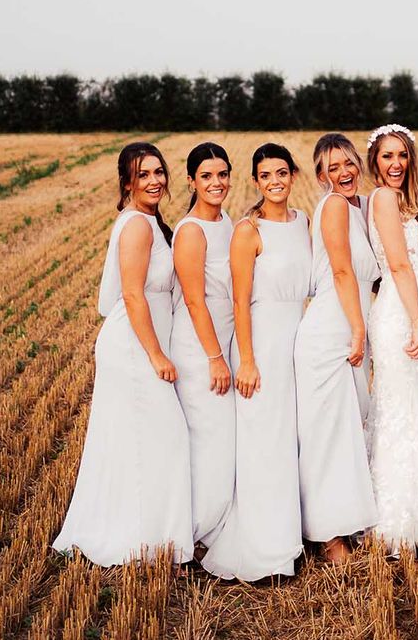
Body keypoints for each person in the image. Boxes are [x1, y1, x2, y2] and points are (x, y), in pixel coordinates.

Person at [53, 143, 192, 566]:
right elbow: (132, 295)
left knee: (142, 440)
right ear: (127, 183)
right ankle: (139, 540)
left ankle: (147, 536)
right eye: (143, 174)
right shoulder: (136, 226)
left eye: (158, 172)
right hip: (134, 347)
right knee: (166, 437)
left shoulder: (150, 221)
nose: (154, 181)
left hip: (145, 342)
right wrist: (156, 355)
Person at [201, 143, 310, 581]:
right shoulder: (249, 231)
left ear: (293, 175)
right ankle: (265, 548)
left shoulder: (303, 223)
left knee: (290, 441)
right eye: (266, 176)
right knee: (264, 443)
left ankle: (291, 535)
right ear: (257, 181)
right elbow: (240, 301)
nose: (275, 181)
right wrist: (246, 359)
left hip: (296, 341)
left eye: (282, 173)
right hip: (260, 342)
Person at [294, 133, 379, 564]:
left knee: (349, 429)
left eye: (349, 163)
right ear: (321, 176)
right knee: (329, 432)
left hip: (348, 330)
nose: (344, 172)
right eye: (333, 167)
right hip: (331, 332)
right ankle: (328, 536)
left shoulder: (358, 209)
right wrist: (360, 328)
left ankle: (346, 520)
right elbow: (343, 272)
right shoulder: (332, 207)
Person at [364, 124, 418, 552]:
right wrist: (416, 320)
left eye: (402, 156)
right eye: (386, 156)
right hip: (401, 315)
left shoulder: (407, 202)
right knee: (402, 408)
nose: (395, 164)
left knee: (416, 408)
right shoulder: (382, 198)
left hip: (417, 312)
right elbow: (397, 264)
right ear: (374, 162)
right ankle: (396, 515)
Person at [170, 142, 235, 553]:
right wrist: (215, 358)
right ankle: (191, 531)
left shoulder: (226, 221)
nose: (216, 183)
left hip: (225, 334)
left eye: (222, 174)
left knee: (222, 437)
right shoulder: (191, 231)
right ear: (191, 181)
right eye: (207, 176)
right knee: (208, 437)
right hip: (199, 346)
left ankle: (214, 522)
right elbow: (194, 301)